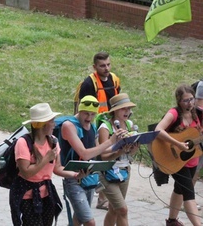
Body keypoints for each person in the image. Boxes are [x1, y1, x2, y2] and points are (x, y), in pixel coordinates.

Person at [60, 95, 122, 226]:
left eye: (93, 114)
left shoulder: (92, 127)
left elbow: (100, 150)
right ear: (79, 110)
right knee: (90, 222)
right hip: (74, 179)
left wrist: (122, 146)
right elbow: (85, 154)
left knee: (78, 219)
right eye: (86, 114)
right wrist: (110, 141)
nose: (89, 118)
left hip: (89, 177)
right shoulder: (69, 126)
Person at [11, 103, 75, 226]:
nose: (54, 124)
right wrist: (46, 159)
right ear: (42, 124)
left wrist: (75, 174)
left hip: (46, 193)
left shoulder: (53, 141)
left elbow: (57, 168)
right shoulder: (23, 143)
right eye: (52, 121)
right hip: (26, 195)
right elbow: (26, 172)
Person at [155, 85, 202, 226]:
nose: (190, 103)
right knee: (188, 192)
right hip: (173, 158)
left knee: (179, 189)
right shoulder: (174, 113)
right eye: (185, 100)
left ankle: (172, 220)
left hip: (191, 159)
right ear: (178, 101)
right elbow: (158, 130)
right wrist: (178, 143)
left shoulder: (198, 113)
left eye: (191, 99)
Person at [96, 94, 139, 226]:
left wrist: (134, 146)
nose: (127, 112)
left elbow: (131, 152)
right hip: (107, 172)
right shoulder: (105, 127)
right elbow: (103, 154)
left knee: (114, 210)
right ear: (115, 110)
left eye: (128, 109)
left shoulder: (129, 124)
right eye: (123, 109)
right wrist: (120, 149)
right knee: (123, 209)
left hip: (125, 169)